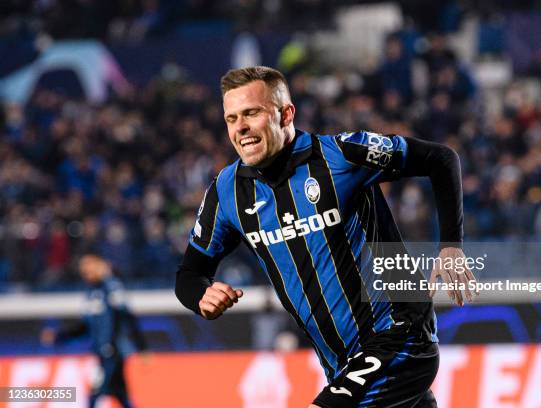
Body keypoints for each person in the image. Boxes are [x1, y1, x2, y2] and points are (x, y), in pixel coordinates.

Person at [175, 66, 477, 407]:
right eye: (231, 118)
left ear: (286, 114)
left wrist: (451, 246)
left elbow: (440, 158)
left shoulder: (341, 155)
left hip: (400, 337)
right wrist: (201, 295)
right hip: (342, 366)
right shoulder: (227, 192)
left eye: (251, 113)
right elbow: (189, 274)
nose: (240, 127)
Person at [41, 252, 147, 408]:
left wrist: (142, 347)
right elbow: (84, 326)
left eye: (89, 265)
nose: (85, 270)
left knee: (93, 396)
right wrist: (59, 336)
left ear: (101, 265)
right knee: (120, 395)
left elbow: (128, 318)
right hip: (102, 353)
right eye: (83, 267)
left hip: (113, 353)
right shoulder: (91, 292)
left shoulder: (112, 288)